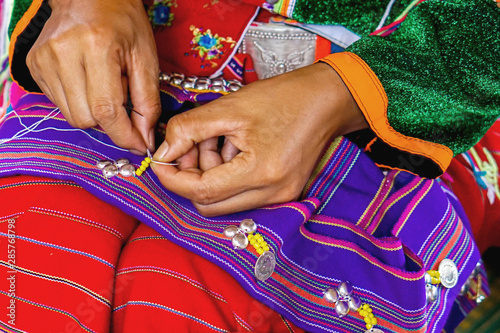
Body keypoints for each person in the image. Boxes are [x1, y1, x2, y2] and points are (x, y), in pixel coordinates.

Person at [0, 0, 499, 332]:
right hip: (124, 42)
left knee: (180, 302)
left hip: (407, 96)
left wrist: (344, 93)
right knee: (35, 270)